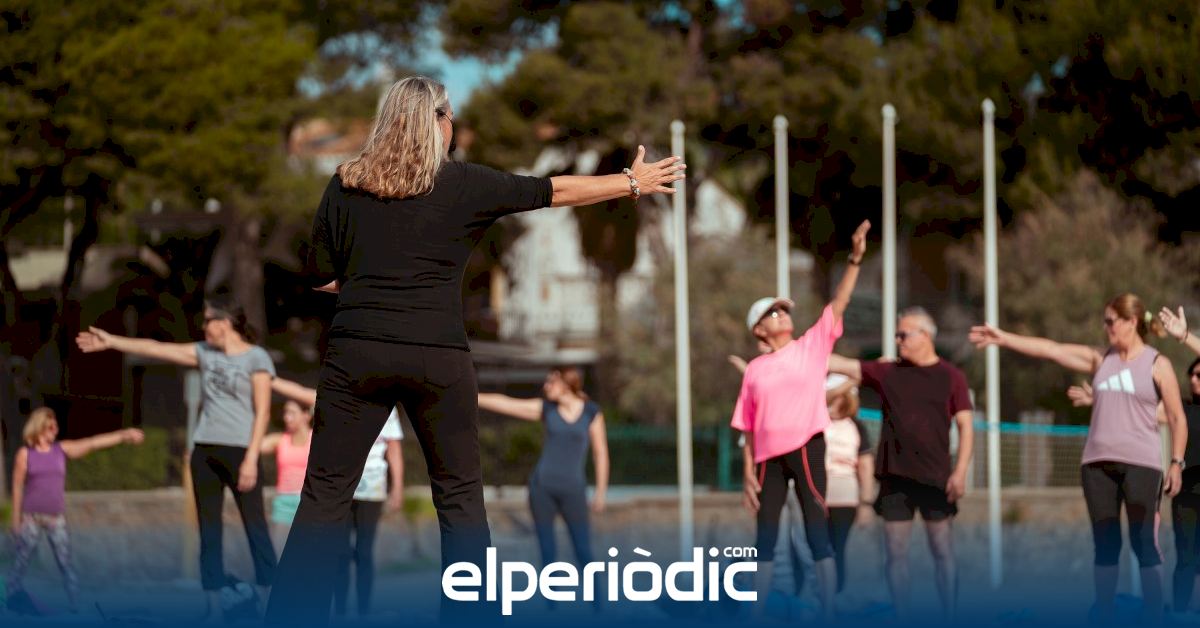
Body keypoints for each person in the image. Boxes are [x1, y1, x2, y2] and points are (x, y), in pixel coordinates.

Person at [264, 75, 684, 624]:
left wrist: (372, 282)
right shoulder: (465, 183)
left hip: (357, 352)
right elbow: (552, 190)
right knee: (459, 497)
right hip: (437, 356)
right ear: (438, 122)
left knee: (325, 494)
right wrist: (631, 182)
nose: (454, 124)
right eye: (451, 116)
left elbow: (321, 276)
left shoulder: (346, 183)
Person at [969, 294, 1187, 624]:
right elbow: (1051, 349)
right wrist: (1003, 338)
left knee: (1143, 541)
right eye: (1105, 321)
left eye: (1111, 321)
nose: (1106, 327)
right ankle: (1104, 614)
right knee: (1106, 543)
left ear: (1131, 322)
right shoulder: (1099, 358)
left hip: (1142, 464)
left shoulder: (1157, 364)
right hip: (1097, 463)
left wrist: (1176, 462)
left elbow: (1177, 417)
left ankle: (1154, 617)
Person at [75, 295, 277, 616]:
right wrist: (112, 341)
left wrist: (252, 459)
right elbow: (155, 348)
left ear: (224, 323)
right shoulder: (204, 352)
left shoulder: (257, 358)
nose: (203, 326)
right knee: (209, 532)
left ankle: (271, 607)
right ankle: (214, 610)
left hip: (241, 451)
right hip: (205, 451)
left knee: (256, 529)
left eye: (208, 320)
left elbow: (263, 412)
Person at [732, 219, 870, 622]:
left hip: (807, 447)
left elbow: (838, 304)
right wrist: (747, 473)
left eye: (782, 310)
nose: (781, 314)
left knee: (816, 532)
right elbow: (747, 426)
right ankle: (756, 615)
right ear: (759, 329)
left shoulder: (811, 347)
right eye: (772, 313)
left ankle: (826, 613)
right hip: (767, 460)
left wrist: (855, 260)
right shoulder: (755, 370)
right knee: (765, 538)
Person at [828, 307, 973, 621]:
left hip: (936, 477)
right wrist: (792, 352)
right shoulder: (888, 372)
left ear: (925, 336)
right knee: (895, 552)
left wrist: (960, 471)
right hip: (895, 478)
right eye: (896, 335)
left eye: (903, 334)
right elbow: (839, 363)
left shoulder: (951, 376)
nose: (897, 340)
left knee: (942, 549)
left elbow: (966, 426)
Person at [267, 379, 406, 618]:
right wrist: (270, 379)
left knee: (364, 551)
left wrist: (398, 488)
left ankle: (363, 611)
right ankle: (340, 610)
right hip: (343, 487)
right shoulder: (345, 399)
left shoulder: (388, 409)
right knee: (340, 551)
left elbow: (394, 451)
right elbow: (303, 392)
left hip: (373, 489)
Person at [7, 408, 144, 614]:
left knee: (65, 562)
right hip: (31, 517)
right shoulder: (25, 454)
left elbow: (93, 442)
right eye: (51, 426)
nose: (55, 430)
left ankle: (76, 603)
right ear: (39, 427)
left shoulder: (62, 449)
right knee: (21, 560)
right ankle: (9, 598)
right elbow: (17, 487)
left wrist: (124, 435)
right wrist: (15, 520)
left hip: (56, 517)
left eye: (56, 426)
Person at [478, 367, 609, 573]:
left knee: (583, 551)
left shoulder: (591, 412)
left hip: (573, 491)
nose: (545, 386)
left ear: (565, 384)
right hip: (542, 489)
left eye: (551, 382)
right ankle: (551, 595)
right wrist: (471, 395)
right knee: (548, 553)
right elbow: (507, 403)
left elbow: (600, 453)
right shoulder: (547, 409)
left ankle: (598, 595)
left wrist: (601, 493)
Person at [822, 374, 875, 595]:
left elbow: (865, 466)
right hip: (815, 495)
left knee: (836, 547)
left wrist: (866, 503)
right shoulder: (816, 423)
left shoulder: (856, 427)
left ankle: (835, 595)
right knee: (815, 548)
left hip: (844, 497)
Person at [256, 391, 313, 554]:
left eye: (292, 413)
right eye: (285, 413)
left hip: (308, 503)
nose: (287, 418)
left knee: (305, 555)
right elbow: (254, 446)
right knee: (278, 553)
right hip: (284, 503)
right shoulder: (280, 440)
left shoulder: (317, 440)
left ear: (306, 415)